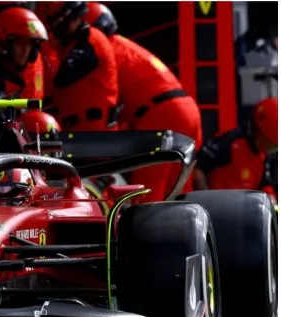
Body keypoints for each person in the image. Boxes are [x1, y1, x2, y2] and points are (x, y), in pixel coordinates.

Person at [82, 2, 203, 202]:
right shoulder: (125, 46)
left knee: (147, 196)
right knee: (180, 193)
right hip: (187, 108)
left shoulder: (103, 51)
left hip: (161, 114)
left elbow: (105, 105)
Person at [34, 1, 119, 132]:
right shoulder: (68, 46)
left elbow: (62, 80)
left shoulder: (91, 40)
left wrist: (45, 47)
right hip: (77, 129)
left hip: (96, 130)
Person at [193, 97, 278, 201]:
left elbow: (264, 183)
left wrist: (271, 199)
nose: (271, 149)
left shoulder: (263, 155)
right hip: (217, 209)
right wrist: (205, 198)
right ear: (259, 132)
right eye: (270, 144)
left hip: (245, 212)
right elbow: (198, 166)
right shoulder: (230, 143)